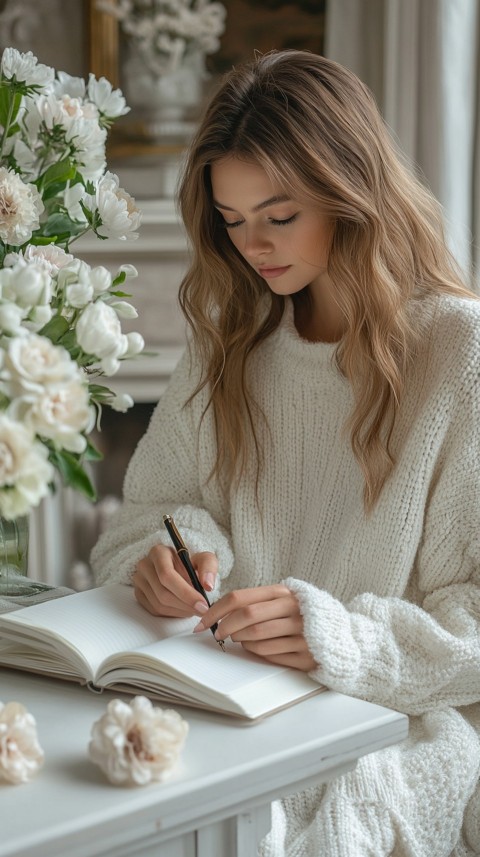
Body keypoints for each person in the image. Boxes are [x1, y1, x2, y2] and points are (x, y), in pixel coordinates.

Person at [91, 49, 480, 856]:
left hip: (386, 719)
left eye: (278, 214)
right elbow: (141, 520)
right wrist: (179, 555)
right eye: (231, 222)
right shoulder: (231, 340)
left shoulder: (457, 353)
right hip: (227, 702)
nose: (253, 247)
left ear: (349, 193)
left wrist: (334, 635)